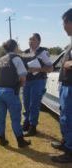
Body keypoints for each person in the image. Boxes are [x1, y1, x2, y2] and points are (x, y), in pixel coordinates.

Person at [0, 39, 31, 148]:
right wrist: (21, 86)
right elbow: (23, 76)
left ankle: (1, 139)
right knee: (15, 117)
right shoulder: (16, 58)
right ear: (15, 47)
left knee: (0, 117)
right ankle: (20, 141)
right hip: (10, 91)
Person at [21, 33, 53, 136]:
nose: (30, 41)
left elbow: (50, 68)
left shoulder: (43, 52)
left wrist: (37, 69)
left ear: (39, 41)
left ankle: (33, 127)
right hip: (27, 81)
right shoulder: (25, 52)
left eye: (33, 39)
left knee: (34, 104)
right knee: (26, 103)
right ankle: (26, 122)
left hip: (38, 81)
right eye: (29, 39)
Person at [51, 8, 72, 163]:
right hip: (66, 86)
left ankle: (70, 152)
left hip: (70, 87)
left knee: (68, 118)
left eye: (64, 23)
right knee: (64, 117)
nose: (63, 27)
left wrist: (69, 63)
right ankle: (66, 143)